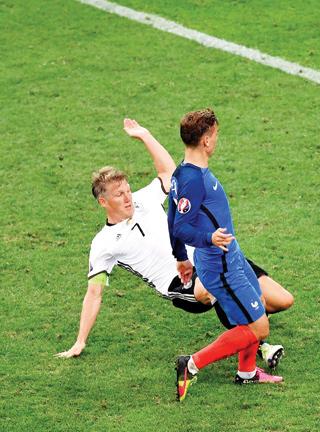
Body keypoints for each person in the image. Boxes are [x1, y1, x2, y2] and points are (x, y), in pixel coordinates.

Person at [56, 119, 293, 369]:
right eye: (119, 195)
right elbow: (94, 293)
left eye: (127, 190)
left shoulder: (144, 199)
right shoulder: (103, 243)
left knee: (282, 300)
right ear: (103, 202)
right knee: (212, 290)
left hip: (206, 255)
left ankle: (250, 329)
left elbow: (169, 173)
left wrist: (145, 135)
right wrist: (80, 341)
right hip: (179, 281)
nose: (128, 197)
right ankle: (259, 346)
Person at [168, 108, 284, 402]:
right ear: (206, 141)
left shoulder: (183, 172)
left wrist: (180, 256)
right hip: (221, 266)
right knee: (259, 328)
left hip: (232, 257)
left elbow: (172, 214)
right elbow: (181, 225)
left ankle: (247, 372)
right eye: (216, 134)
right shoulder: (193, 179)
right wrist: (207, 238)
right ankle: (190, 364)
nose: (217, 140)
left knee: (249, 316)